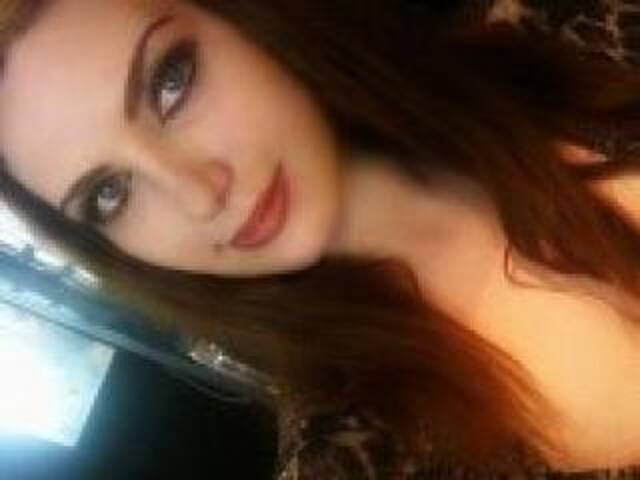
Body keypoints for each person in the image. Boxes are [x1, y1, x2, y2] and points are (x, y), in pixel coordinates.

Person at [0, 0, 640, 477]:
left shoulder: (562, 29)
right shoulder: (363, 454)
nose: (198, 195)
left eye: (171, 79)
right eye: (109, 195)